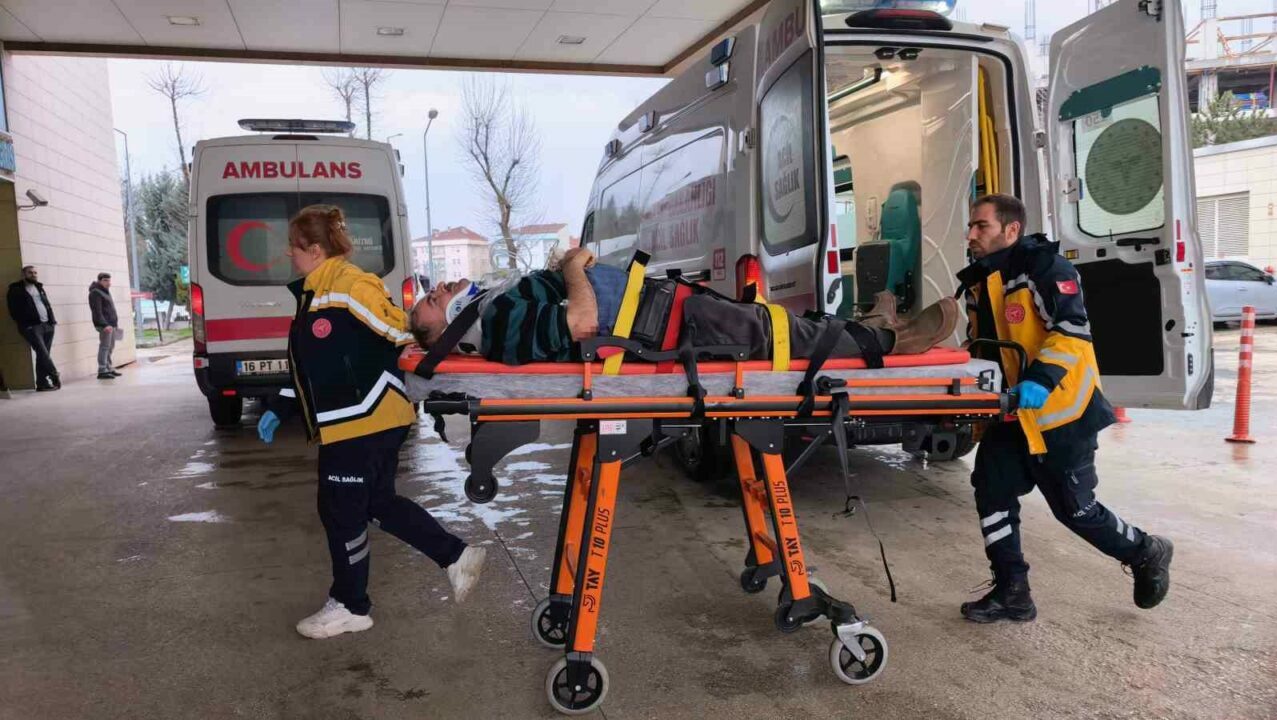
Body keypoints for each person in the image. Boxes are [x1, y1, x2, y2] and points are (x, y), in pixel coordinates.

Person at [257, 205, 486, 639]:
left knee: (341, 510)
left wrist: (438, 354)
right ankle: (456, 557)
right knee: (375, 503)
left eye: (295, 246)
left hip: (365, 419)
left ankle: (350, 605)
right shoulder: (316, 291)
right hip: (354, 420)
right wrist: (282, 404)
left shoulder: (349, 285)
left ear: (316, 250)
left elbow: (405, 331)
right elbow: (312, 364)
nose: (289, 253)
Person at [955, 193, 1173, 623]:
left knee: (1076, 510)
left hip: (1061, 415)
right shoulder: (981, 280)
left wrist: (1040, 381)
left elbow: (1072, 330)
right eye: (971, 226)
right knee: (991, 491)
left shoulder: (1045, 269)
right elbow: (983, 345)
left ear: (1011, 230)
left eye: (981, 226)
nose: (971, 235)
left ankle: (1146, 551)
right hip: (1012, 416)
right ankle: (1012, 591)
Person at [409, 247, 958, 365]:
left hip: (662, 314)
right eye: (432, 303)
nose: (439, 290)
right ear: (446, 331)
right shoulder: (498, 324)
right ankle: (892, 340)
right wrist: (574, 266)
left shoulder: (498, 310)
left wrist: (566, 271)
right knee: (778, 334)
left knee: (777, 324)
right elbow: (582, 321)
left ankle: (867, 328)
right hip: (663, 329)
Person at [6, 265, 60, 391]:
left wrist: (52, 322)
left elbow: (46, 304)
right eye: (30, 273)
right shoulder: (15, 289)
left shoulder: (39, 287)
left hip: (48, 325)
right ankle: (54, 374)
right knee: (42, 352)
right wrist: (26, 324)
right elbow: (13, 310)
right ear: (23, 275)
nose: (34, 275)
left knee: (43, 355)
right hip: (32, 327)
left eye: (35, 273)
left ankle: (42, 383)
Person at [89, 272, 121, 380]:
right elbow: (97, 311)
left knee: (110, 347)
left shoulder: (105, 291)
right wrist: (104, 325)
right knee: (104, 347)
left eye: (109, 280)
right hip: (105, 325)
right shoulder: (95, 293)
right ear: (99, 281)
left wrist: (115, 324)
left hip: (112, 324)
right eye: (105, 280)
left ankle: (108, 368)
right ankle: (102, 370)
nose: (108, 283)